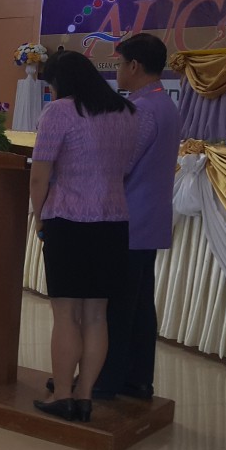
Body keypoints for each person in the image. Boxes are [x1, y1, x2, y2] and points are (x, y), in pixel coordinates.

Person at [29, 51, 140, 423]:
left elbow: (39, 176)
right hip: (113, 222)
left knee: (65, 315)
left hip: (68, 219)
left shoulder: (60, 112)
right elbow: (125, 168)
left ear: (61, 82)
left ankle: (62, 394)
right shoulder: (127, 113)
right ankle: (85, 396)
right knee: (96, 315)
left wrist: (39, 219)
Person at [91, 33, 181, 401]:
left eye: (118, 63)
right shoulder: (165, 104)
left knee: (118, 307)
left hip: (129, 219)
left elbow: (122, 163)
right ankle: (137, 379)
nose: (116, 71)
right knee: (141, 305)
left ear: (135, 65)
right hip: (151, 218)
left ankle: (105, 380)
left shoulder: (141, 109)